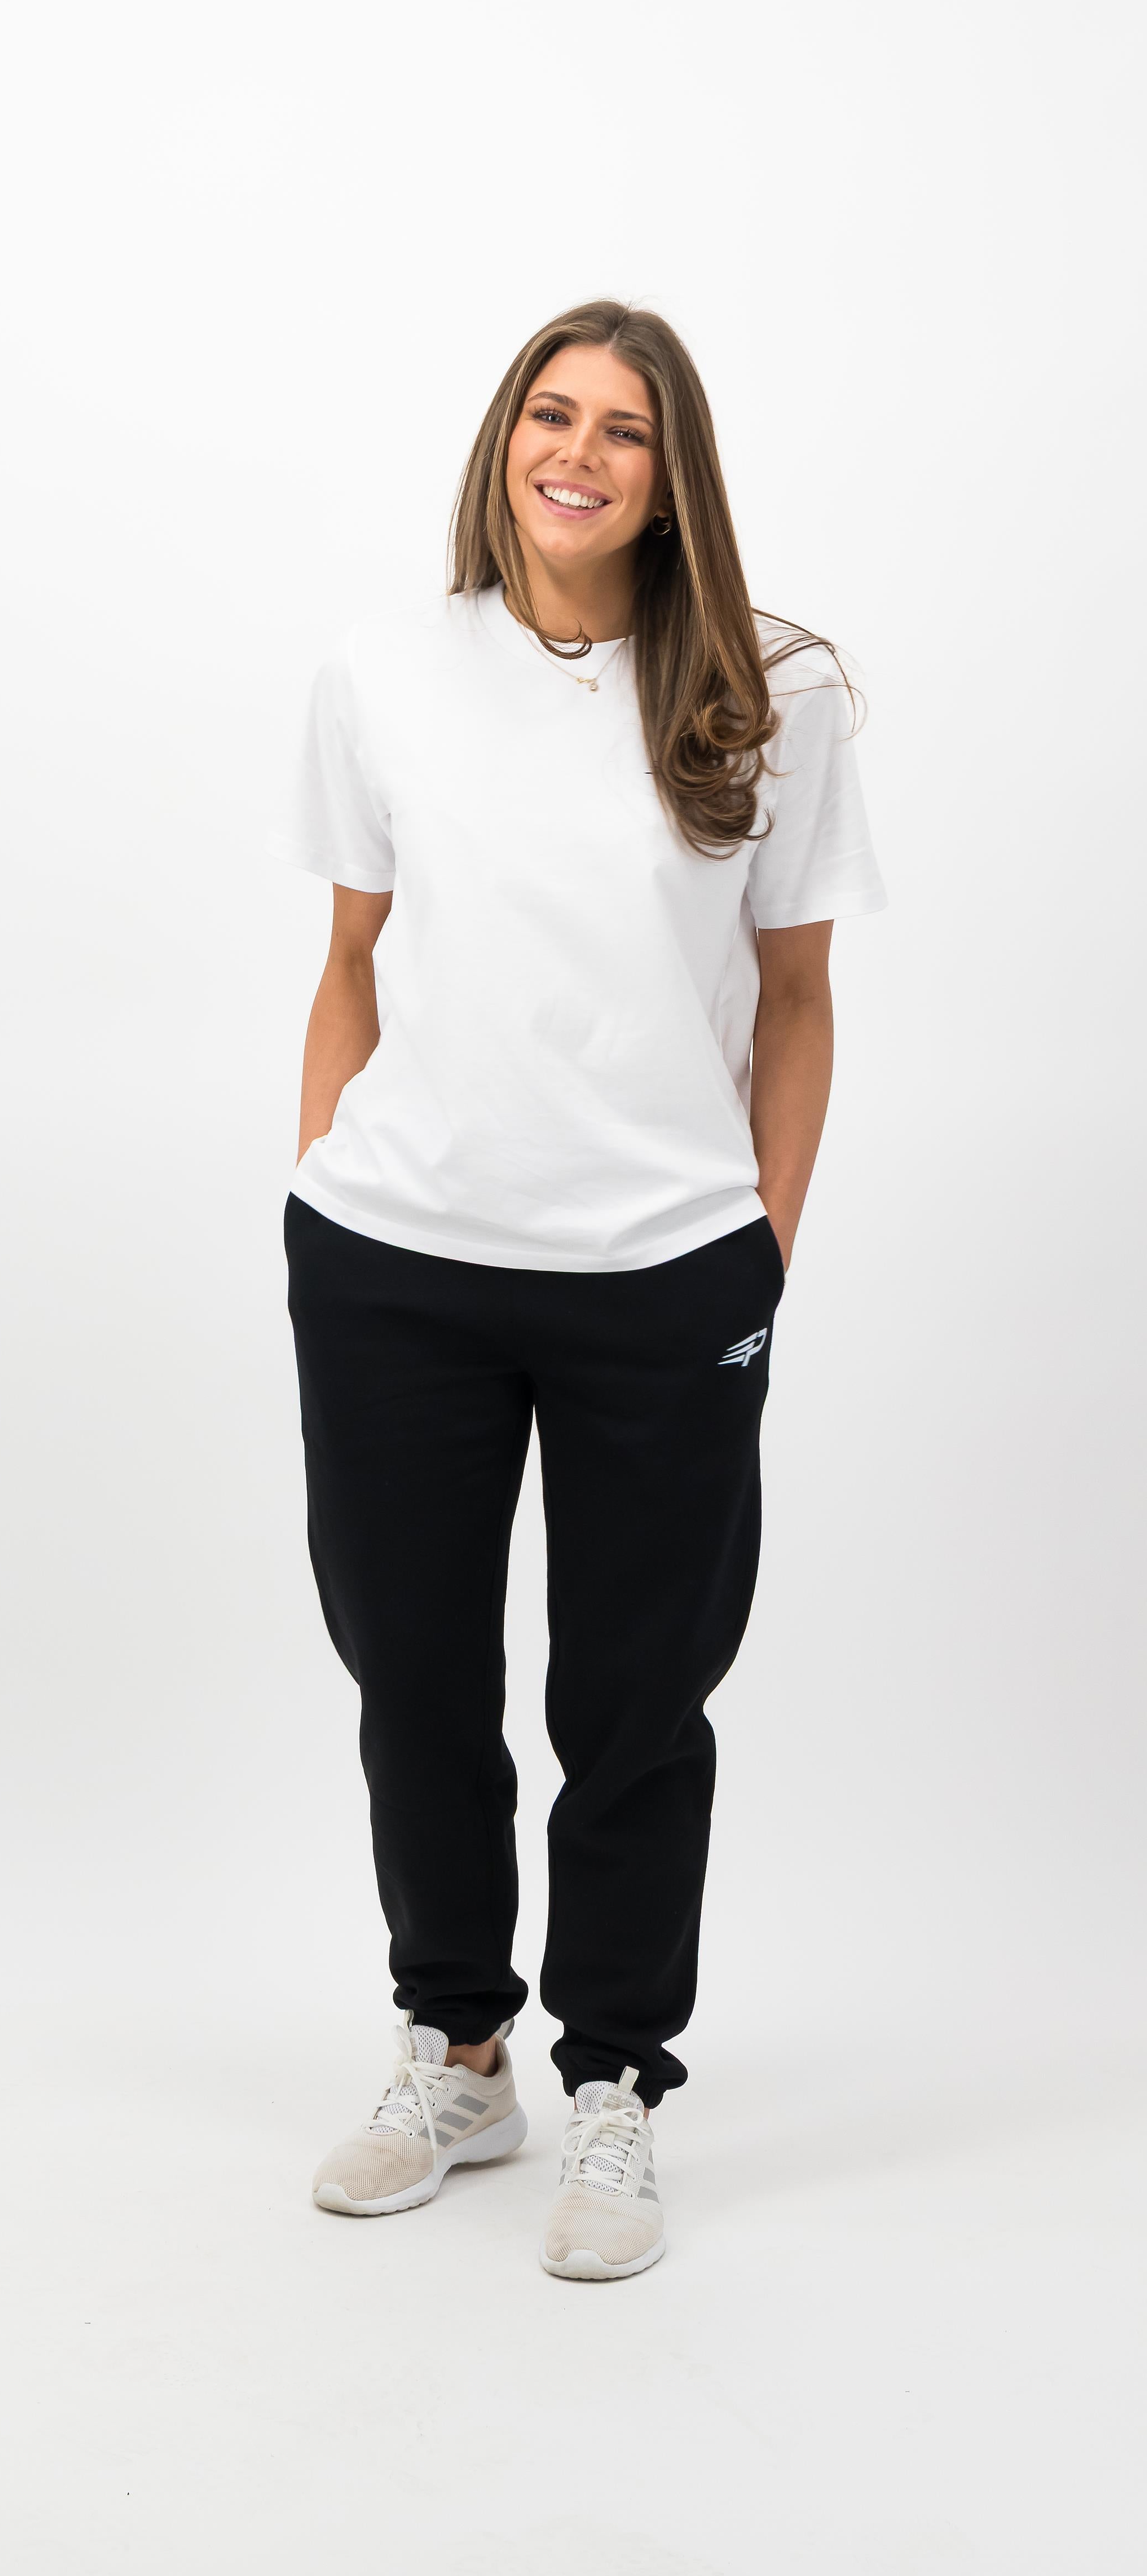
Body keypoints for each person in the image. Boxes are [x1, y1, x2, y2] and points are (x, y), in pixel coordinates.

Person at [271, 299, 885, 2279]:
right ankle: (458, 2052)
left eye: (626, 428)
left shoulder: (773, 690)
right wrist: (320, 1191)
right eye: (552, 414)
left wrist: (759, 1250)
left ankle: (613, 2079)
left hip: (663, 1279)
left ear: (670, 472)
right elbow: (350, 959)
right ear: (505, 440)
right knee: (415, 1679)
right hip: (399, 1268)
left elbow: (796, 1000)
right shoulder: (387, 669)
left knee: (636, 1705)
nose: (581, 454)